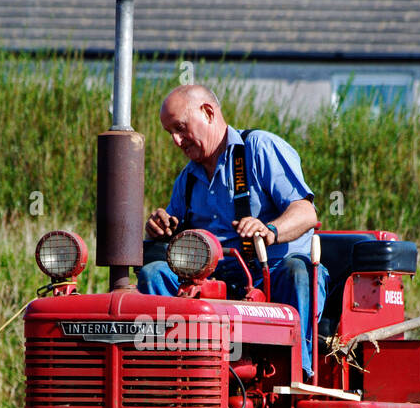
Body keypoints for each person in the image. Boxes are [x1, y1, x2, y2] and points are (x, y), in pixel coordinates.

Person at [138, 84, 328, 377]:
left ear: (208, 112)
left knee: (297, 271)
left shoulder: (260, 148)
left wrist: (269, 230)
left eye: (180, 128)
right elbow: (177, 236)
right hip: (213, 279)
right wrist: (161, 229)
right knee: (154, 274)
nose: (176, 141)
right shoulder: (187, 180)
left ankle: (296, 374)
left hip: (270, 273)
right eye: (170, 133)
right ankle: (166, 372)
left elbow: (305, 212)